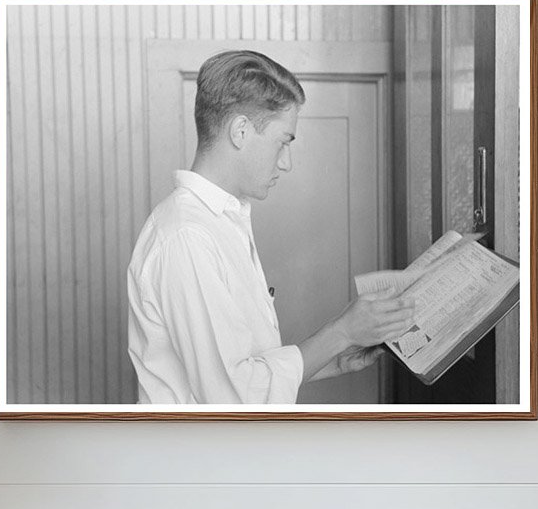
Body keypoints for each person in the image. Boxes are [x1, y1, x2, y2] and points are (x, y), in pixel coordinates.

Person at [127, 49, 414, 404]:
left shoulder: (220, 221)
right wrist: (340, 332)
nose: (287, 162)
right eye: (283, 142)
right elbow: (233, 397)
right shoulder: (187, 237)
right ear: (241, 131)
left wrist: (336, 358)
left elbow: (244, 367)